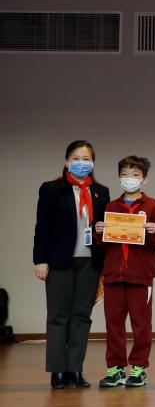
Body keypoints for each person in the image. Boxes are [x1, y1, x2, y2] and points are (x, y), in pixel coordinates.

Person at [33, 140, 110, 389]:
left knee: (81, 316)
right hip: (59, 261)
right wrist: (40, 260)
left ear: (93, 163)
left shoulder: (101, 191)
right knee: (58, 316)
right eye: (76, 158)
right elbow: (42, 227)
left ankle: (75, 369)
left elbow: (105, 229)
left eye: (86, 159)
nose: (81, 163)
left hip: (90, 262)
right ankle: (57, 370)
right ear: (67, 161)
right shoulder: (51, 189)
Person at [95, 156, 155, 388]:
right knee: (113, 324)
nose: (130, 179)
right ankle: (116, 368)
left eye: (135, 175)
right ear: (119, 178)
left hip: (140, 276)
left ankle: (139, 368)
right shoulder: (111, 207)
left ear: (144, 179)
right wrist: (98, 231)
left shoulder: (152, 206)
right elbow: (101, 243)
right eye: (125, 175)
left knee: (141, 324)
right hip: (113, 276)